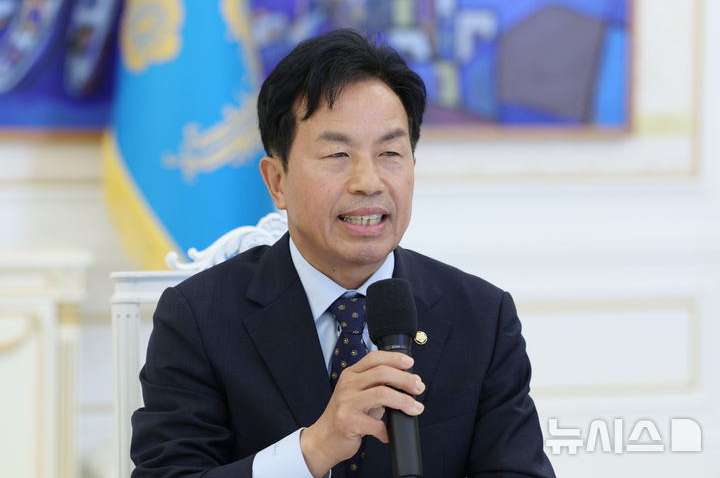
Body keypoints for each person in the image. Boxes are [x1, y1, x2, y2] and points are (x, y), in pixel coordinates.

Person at [130, 29, 556, 478]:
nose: (368, 182)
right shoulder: (198, 318)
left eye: (390, 152)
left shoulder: (482, 317)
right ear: (277, 181)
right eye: (338, 154)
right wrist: (311, 450)